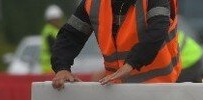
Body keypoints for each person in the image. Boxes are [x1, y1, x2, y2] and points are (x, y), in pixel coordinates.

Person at [49, 0, 180, 89]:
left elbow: (157, 29)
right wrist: (62, 68)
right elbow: (71, 35)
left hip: (161, 88)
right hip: (117, 89)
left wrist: (131, 64)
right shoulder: (93, 3)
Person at [39, 5, 65, 74]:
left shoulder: (54, 30)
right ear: (50, 20)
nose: (58, 21)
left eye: (58, 19)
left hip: (53, 66)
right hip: (49, 67)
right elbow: (54, 48)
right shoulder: (49, 31)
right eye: (56, 19)